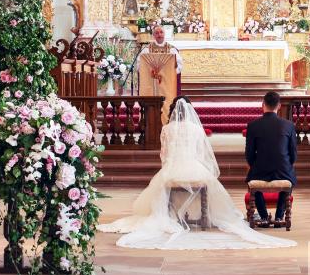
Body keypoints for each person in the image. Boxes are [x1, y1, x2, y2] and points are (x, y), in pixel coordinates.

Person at [99, 97, 296, 250]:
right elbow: (202, 154)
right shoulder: (195, 129)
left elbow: (165, 155)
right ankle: (201, 217)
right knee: (209, 184)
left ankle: (174, 215)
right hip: (193, 166)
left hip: (173, 168)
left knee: (162, 184)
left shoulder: (167, 129)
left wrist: (170, 169)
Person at [245, 91, 297, 227]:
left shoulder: (253, 126)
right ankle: (280, 217)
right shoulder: (289, 125)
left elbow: (249, 154)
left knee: (251, 178)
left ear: (262, 105)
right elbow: (293, 154)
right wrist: (286, 164)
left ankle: (263, 216)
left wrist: (255, 165)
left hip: (260, 169)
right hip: (283, 169)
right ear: (279, 106)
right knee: (289, 178)